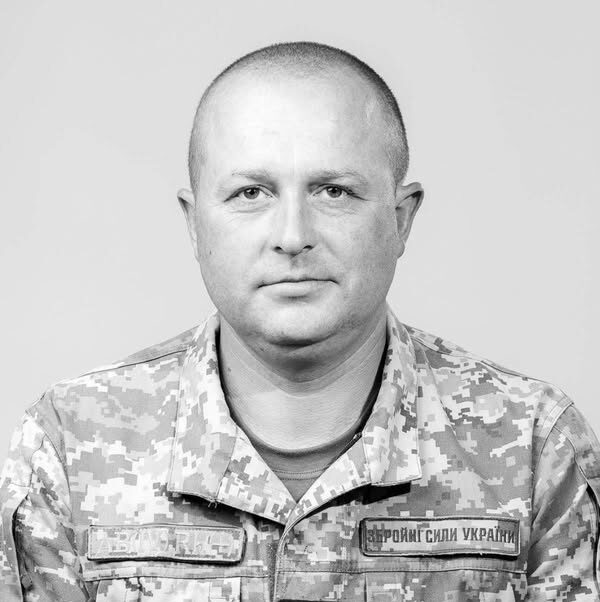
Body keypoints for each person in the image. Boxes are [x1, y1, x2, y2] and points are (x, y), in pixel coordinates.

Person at [1, 41, 598, 602]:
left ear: (401, 219)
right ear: (194, 223)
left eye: (333, 192)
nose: (292, 236)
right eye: (251, 193)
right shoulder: (69, 445)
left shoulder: (533, 446)